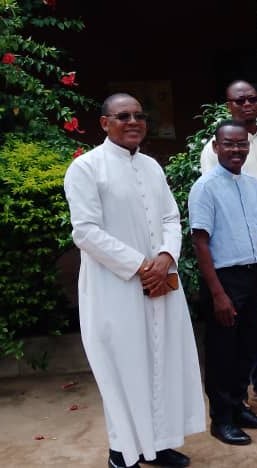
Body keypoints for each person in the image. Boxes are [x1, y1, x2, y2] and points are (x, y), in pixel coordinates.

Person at [64, 93, 203, 468]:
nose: (132, 121)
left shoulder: (152, 167)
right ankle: (121, 451)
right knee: (124, 367)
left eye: (139, 115)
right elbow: (86, 232)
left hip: (161, 281)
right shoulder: (86, 168)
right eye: (122, 115)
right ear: (104, 123)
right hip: (116, 287)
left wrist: (166, 258)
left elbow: (171, 219)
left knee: (162, 363)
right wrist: (142, 266)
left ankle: (157, 445)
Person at [197, 81, 257, 406]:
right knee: (229, 338)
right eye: (240, 100)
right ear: (229, 105)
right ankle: (230, 406)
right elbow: (220, 203)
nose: (248, 104)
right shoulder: (215, 148)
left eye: (253, 98)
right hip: (234, 256)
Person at [189, 120, 257, 447]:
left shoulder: (252, 185)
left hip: (253, 275)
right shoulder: (205, 187)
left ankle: (240, 407)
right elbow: (200, 242)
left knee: (246, 348)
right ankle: (221, 419)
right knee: (222, 352)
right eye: (229, 144)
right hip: (223, 279)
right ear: (216, 147)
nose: (236, 150)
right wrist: (217, 295)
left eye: (242, 144)